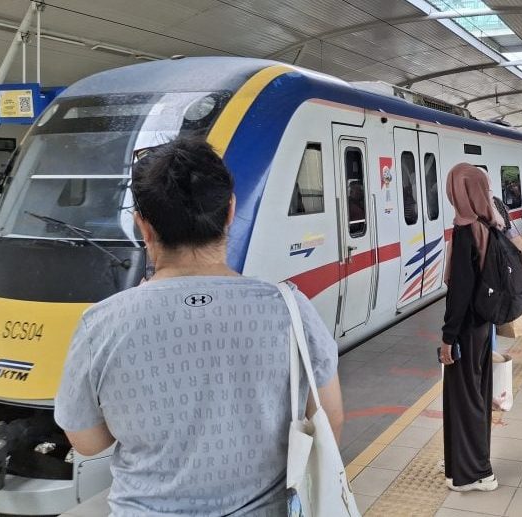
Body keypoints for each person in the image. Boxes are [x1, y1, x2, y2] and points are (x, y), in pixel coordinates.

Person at [54, 137, 343, 515]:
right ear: (229, 211)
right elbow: (330, 417)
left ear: (143, 226)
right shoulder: (290, 308)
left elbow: (87, 441)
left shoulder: (102, 324)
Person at [440, 163, 498, 492]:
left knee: (465, 399)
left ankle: (478, 473)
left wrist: (448, 337)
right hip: (483, 324)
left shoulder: (465, 231)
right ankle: (462, 464)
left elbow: (460, 292)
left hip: (465, 329)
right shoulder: (490, 223)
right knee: (476, 393)